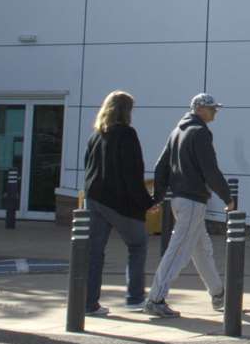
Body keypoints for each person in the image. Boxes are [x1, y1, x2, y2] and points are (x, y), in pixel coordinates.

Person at [143, 93, 233, 318]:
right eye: (212, 108)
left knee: (201, 249)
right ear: (200, 109)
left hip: (180, 200)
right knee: (179, 250)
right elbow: (210, 169)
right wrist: (228, 198)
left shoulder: (177, 131)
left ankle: (219, 294)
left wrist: (157, 197)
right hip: (192, 200)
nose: (215, 112)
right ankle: (156, 298)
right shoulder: (200, 132)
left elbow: (161, 166)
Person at [82, 90, 154, 316]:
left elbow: (88, 168)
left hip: (94, 199)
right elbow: (133, 173)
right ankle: (134, 298)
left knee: (93, 252)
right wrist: (147, 202)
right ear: (126, 111)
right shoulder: (127, 135)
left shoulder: (95, 136)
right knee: (137, 245)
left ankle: (88, 303)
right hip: (120, 202)